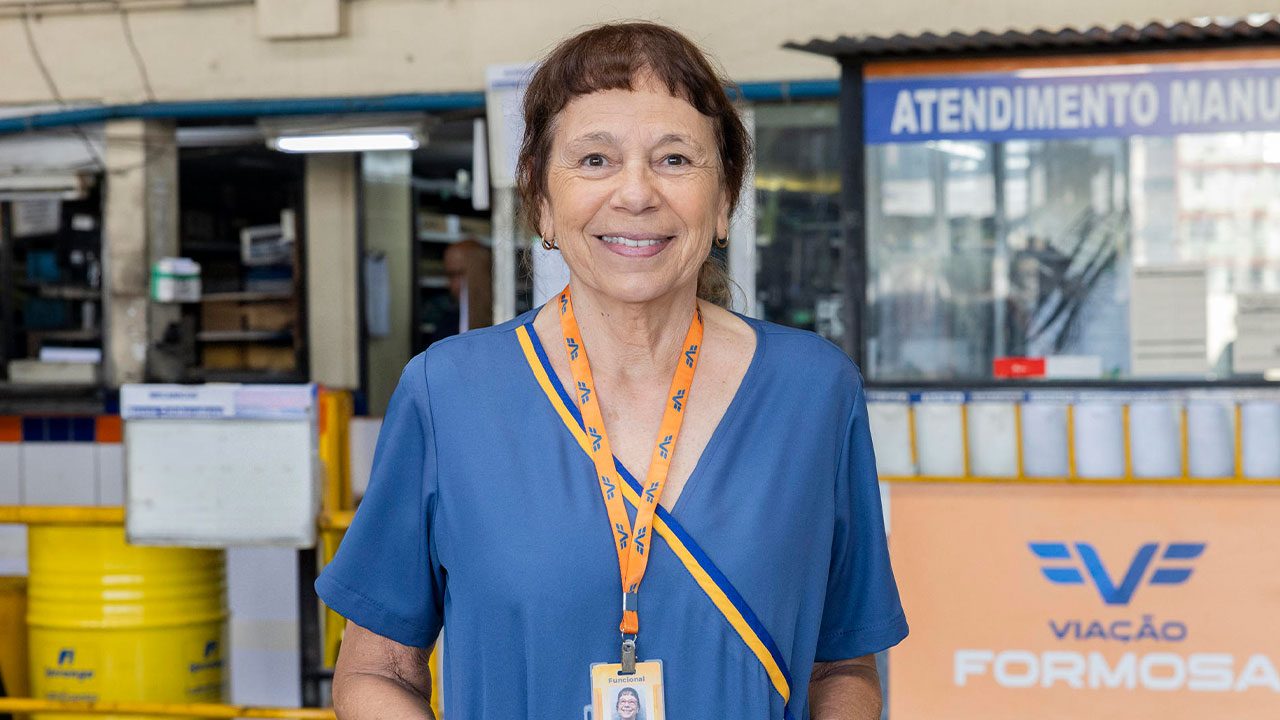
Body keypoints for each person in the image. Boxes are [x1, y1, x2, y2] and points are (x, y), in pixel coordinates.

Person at [319, 21, 907, 720]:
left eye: (676, 160)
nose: (635, 193)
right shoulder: (448, 395)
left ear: (724, 202)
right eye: (595, 160)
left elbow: (843, 665)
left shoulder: (813, 392)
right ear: (541, 198)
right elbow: (375, 671)